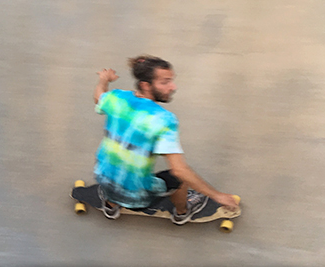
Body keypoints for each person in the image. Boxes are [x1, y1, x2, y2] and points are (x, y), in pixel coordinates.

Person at [92, 55, 240, 223]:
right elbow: (180, 170)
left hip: (102, 177)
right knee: (180, 178)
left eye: (172, 80)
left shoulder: (115, 98)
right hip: (137, 197)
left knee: (119, 167)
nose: (173, 87)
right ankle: (182, 213)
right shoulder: (163, 120)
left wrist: (104, 80)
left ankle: (110, 207)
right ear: (145, 85)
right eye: (165, 82)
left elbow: (98, 97)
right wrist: (217, 196)